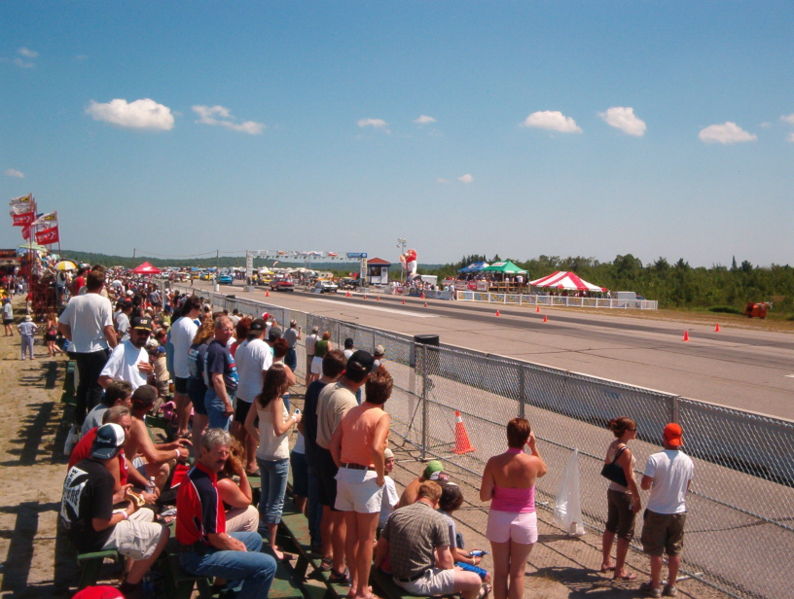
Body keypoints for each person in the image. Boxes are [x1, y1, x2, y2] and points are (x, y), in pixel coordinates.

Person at [60, 423, 169, 598]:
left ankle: (129, 569)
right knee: (161, 533)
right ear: (119, 448)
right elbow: (100, 524)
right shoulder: (103, 477)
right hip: (92, 537)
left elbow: (87, 502)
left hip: (74, 528)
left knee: (147, 513)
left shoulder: (79, 467)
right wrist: (128, 511)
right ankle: (131, 585)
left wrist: (118, 498)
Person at [176, 428, 277, 599]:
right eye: (218, 453)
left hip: (195, 545)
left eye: (226, 452)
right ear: (204, 451)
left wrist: (236, 546)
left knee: (255, 539)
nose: (223, 457)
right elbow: (215, 537)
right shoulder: (206, 489)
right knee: (267, 565)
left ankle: (227, 591)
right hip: (196, 557)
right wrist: (237, 547)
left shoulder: (197, 472)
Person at [329, 366, 392, 599]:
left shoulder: (353, 412)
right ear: (387, 394)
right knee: (367, 538)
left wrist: (341, 465)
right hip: (366, 476)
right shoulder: (381, 416)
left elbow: (334, 445)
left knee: (351, 534)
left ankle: (354, 586)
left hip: (345, 474)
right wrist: (381, 474)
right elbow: (377, 447)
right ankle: (363, 590)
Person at [315, 350, 375, 583]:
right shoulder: (348, 400)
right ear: (366, 376)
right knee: (340, 518)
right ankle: (339, 567)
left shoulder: (328, 388)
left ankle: (328, 555)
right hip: (335, 459)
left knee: (328, 512)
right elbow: (342, 438)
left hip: (321, 455)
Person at [374, 481, 484, 599]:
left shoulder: (397, 514)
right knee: (475, 581)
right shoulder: (438, 520)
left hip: (396, 576)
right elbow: (445, 561)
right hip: (418, 582)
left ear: (418, 495)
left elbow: (382, 546)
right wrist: (454, 571)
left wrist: (376, 569)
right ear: (437, 501)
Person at [480, 418, 547, 599]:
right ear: (526, 438)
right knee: (518, 572)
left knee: (500, 572)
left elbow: (484, 496)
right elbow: (543, 470)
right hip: (524, 519)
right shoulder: (533, 462)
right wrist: (533, 447)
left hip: (499, 518)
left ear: (507, 436)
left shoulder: (494, 462)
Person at [244, 363, 300, 559]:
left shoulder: (259, 399)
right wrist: (294, 419)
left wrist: (261, 439)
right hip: (277, 456)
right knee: (276, 502)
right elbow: (279, 429)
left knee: (266, 497)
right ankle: (273, 545)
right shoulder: (276, 401)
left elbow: (247, 424)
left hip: (263, 454)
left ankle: (262, 536)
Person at [639, 423, 694, 598]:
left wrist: (655, 483)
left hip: (657, 510)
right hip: (678, 511)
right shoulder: (687, 461)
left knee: (656, 551)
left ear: (664, 437)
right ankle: (671, 585)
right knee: (674, 550)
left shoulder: (655, 458)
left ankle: (655, 586)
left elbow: (645, 485)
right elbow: (686, 487)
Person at [303, 349, 346, 563]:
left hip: (312, 449)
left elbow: (306, 422)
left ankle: (316, 539)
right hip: (325, 454)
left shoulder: (313, 388)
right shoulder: (331, 392)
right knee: (327, 505)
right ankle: (322, 544)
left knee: (316, 499)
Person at [58, 268, 117, 423]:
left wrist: (71, 337)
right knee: (96, 386)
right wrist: (116, 347)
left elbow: (62, 324)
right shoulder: (104, 302)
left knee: (83, 384)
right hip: (97, 348)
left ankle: (79, 418)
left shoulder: (75, 300)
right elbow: (108, 329)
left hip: (79, 349)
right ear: (102, 285)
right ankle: (93, 419)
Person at [600, 417, 641, 580]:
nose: (636, 432)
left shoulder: (613, 445)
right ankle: (620, 569)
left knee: (611, 526)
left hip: (612, 490)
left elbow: (608, 463)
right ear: (626, 432)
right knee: (625, 532)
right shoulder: (626, 452)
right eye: (634, 429)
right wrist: (636, 498)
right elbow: (629, 477)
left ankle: (606, 561)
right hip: (624, 494)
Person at [233, 318, 272, 473]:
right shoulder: (263, 347)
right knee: (253, 430)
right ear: (263, 332)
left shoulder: (241, 346)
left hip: (242, 391)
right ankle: (251, 463)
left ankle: (238, 461)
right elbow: (266, 371)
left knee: (240, 429)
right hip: (256, 394)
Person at [170, 296, 201, 437]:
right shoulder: (191, 325)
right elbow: (195, 347)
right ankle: (183, 429)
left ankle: (178, 425)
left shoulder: (176, 323)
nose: (200, 312)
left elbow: (173, 342)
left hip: (178, 365)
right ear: (193, 308)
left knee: (180, 398)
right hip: (188, 368)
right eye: (199, 309)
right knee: (188, 400)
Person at [98, 316, 154, 391]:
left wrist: (150, 372)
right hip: (124, 401)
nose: (143, 336)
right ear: (130, 331)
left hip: (139, 400)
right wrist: (124, 396)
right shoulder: (121, 349)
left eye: (146, 333)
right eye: (140, 332)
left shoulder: (144, 353)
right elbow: (103, 379)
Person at [204, 316, 239, 431]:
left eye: (231, 329)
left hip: (221, 397)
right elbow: (217, 378)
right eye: (226, 329)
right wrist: (227, 403)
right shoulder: (217, 350)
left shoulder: (221, 347)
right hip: (218, 398)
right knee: (219, 436)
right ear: (216, 330)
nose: (229, 332)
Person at [217, 439, 259, 533]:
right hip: (205, 533)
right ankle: (247, 545)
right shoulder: (224, 483)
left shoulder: (206, 468)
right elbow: (247, 500)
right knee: (251, 512)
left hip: (196, 524)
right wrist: (242, 472)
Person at [187, 318, 214, 450]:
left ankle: (196, 447)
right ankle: (199, 450)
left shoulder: (194, 346)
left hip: (192, 382)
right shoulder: (204, 350)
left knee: (198, 421)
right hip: (201, 387)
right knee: (202, 423)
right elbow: (205, 373)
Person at [377, 448, 399, 536]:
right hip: (386, 523)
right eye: (388, 462)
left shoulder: (376, 477)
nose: (392, 464)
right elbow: (395, 505)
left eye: (393, 461)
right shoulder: (387, 481)